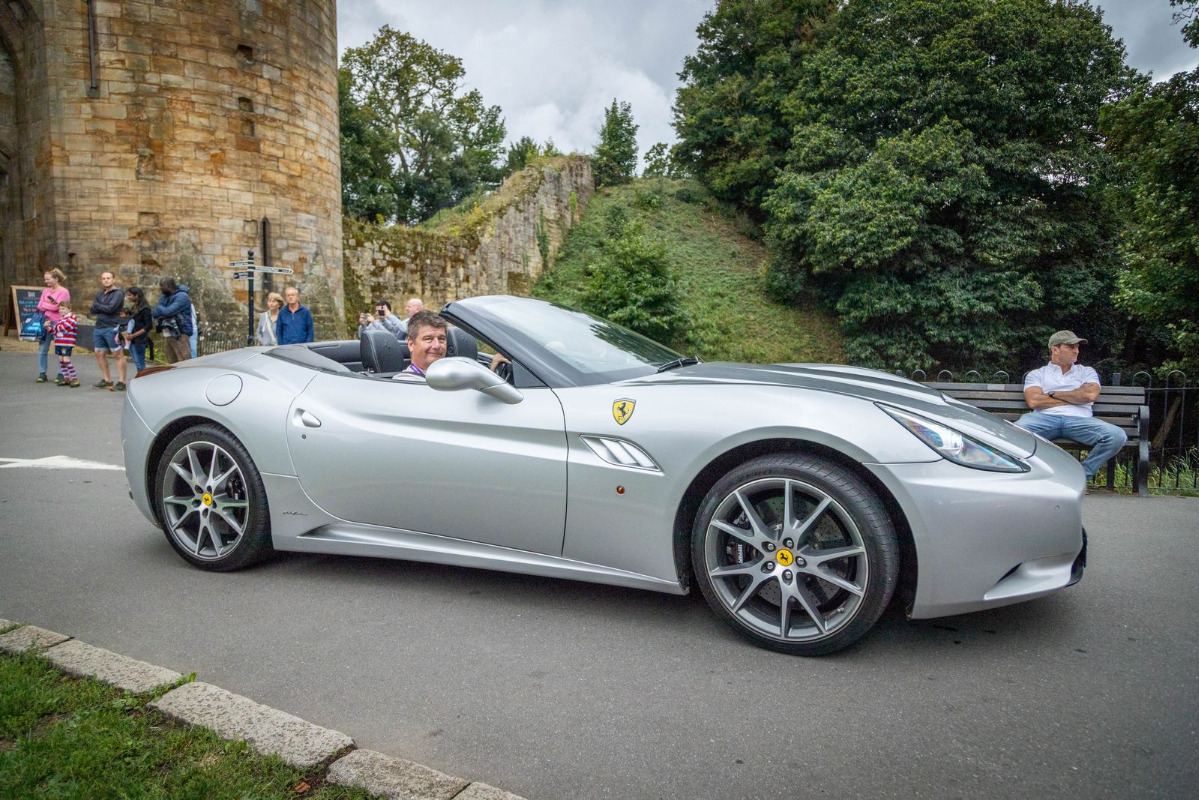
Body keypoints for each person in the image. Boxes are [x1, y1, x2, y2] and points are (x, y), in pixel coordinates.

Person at [1017, 330, 1128, 485]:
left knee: (1117, 436)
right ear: (1055, 349)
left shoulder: (1086, 372)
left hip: (1080, 421)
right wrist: (1076, 397)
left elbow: (1089, 395)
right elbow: (1034, 401)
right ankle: (1030, 478)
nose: (1076, 351)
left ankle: (1080, 477)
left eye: (1077, 347)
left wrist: (1052, 394)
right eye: (1070, 347)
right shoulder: (1037, 374)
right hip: (1043, 418)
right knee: (1013, 434)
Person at [90, 270, 127, 390]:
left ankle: (122, 382)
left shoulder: (118, 293)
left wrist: (98, 305)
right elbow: (92, 310)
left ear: (114, 279)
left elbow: (111, 309)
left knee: (117, 354)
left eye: (108, 278)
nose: (106, 280)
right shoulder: (100, 294)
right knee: (99, 353)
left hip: (112, 327)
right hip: (99, 327)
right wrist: (101, 307)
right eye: (104, 278)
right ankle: (107, 380)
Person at [35, 268, 70, 383]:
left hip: (59, 322)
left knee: (61, 348)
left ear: (56, 279)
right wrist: (50, 305)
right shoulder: (45, 291)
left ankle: (61, 374)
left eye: (48, 279)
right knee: (43, 348)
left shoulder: (64, 292)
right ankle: (42, 373)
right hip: (47, 322)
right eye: (45, 279)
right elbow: (39, 306)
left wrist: (46, 304)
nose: (46, 281)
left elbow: (58, 307)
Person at [152, 277, 194, 363]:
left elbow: (169, 312)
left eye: (162, 285)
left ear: (168, 286)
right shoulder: (164, 297)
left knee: (184, 362)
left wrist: (160, 308)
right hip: (168, 333)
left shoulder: (182, 296)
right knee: (171, 363)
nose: (160, 288)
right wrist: (162, 310)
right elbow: (154, 313)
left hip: (180, 334)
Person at [403, 310, 448, 376]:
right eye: (428, 339)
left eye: (441, 339)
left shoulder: (450, 376)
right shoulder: (405, 381)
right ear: (411, 344)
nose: (437, 345)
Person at [120, 286, 153, 374]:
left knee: (139, 362)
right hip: (132, 339)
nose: (128, 297)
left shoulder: (145, 309)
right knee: (137, 361)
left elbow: (148, 326)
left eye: (130, 295)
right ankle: (141, 376)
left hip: (139, 339)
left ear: (137, 295)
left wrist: (134, 335)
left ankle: (142, 378)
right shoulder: (134, 307)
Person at [51, 299, 80, 387]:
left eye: (63, 308)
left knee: (66, 360)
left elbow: (64, 328)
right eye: (60, 309)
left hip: (67, 343)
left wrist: (55, 327)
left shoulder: (72, 319)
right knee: (61, 361)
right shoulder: (61, 319)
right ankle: (66, 378)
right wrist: (48, 327)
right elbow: (54, 331)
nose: (61, 310)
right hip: (59, 342)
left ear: (69, 309)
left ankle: (74, 379)